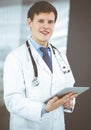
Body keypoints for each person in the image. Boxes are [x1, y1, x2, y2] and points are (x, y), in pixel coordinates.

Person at [3, 1, 78, 130]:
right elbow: (12, 100)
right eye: (41, 21)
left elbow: (69, 86)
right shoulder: (15, 58)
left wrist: (69, 102)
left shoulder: (60, 57)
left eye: (50, 22)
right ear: (29, 22)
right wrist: (44, 108)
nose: (46, 26)